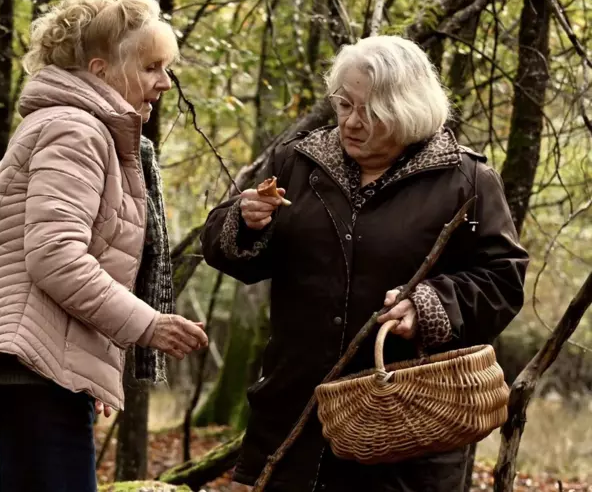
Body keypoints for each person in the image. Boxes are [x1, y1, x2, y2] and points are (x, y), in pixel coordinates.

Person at [201, 35, 529, 492]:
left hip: (407, 437)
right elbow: (224, 247)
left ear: (407, 110)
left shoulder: (465, 181)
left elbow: (503, 279)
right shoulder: (298, 164)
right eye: (344, 104)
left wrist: (431, 305)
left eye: (370, 112)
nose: (352, 123)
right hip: (292, 419)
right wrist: (244, 219)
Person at [0, 0, 208, 492]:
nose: (164, 83)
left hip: (41, 362)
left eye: (167, 68)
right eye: (152, 67)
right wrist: (149, 325)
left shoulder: (76, 127)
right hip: (35, 365)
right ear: (100, 69)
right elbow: (55, 256)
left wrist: (83, 369)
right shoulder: (77, 131)